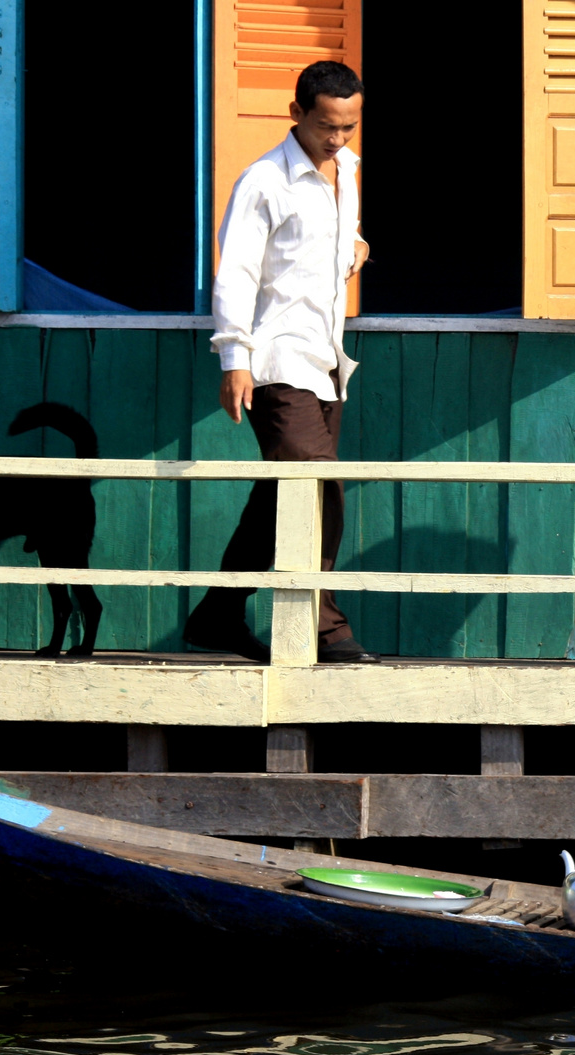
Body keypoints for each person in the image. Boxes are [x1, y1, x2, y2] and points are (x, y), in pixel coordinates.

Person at [183, 60, 377, 664]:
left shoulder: (346, 171)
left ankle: (218, 613)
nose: (338, 138)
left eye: (349, 126)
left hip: (324, 362)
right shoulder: (265, 180)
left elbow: (334, 244)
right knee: (320, 490)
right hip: (276, 362)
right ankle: (327, 632)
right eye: (327, 126)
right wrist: (234, 359)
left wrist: (357, 246)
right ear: (296, 115)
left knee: (277, 499)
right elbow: (236, 272)